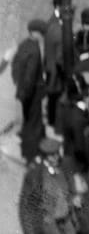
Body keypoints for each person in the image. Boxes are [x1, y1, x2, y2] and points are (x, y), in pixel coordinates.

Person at [18, 137, 77, 234]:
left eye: (57, 153)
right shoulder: (35, 174)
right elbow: (26, 206)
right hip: (49, 225)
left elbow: (70, 190)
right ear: (44, 156)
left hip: (66, 220)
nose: (56, 157)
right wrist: (29, 231)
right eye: (52, 155)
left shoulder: (63, 166)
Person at [12, 18, 47, 161]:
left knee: (28, 121)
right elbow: (30, 76)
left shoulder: (24, 44)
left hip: (23, 91)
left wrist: (19, 87)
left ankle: (28, 148)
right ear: (35, 32)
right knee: (33, 123)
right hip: (32, 93)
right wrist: (27, 93)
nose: (43, 36)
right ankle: (31, 154)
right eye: (42, 33)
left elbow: (15, 65)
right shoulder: (35, 51)